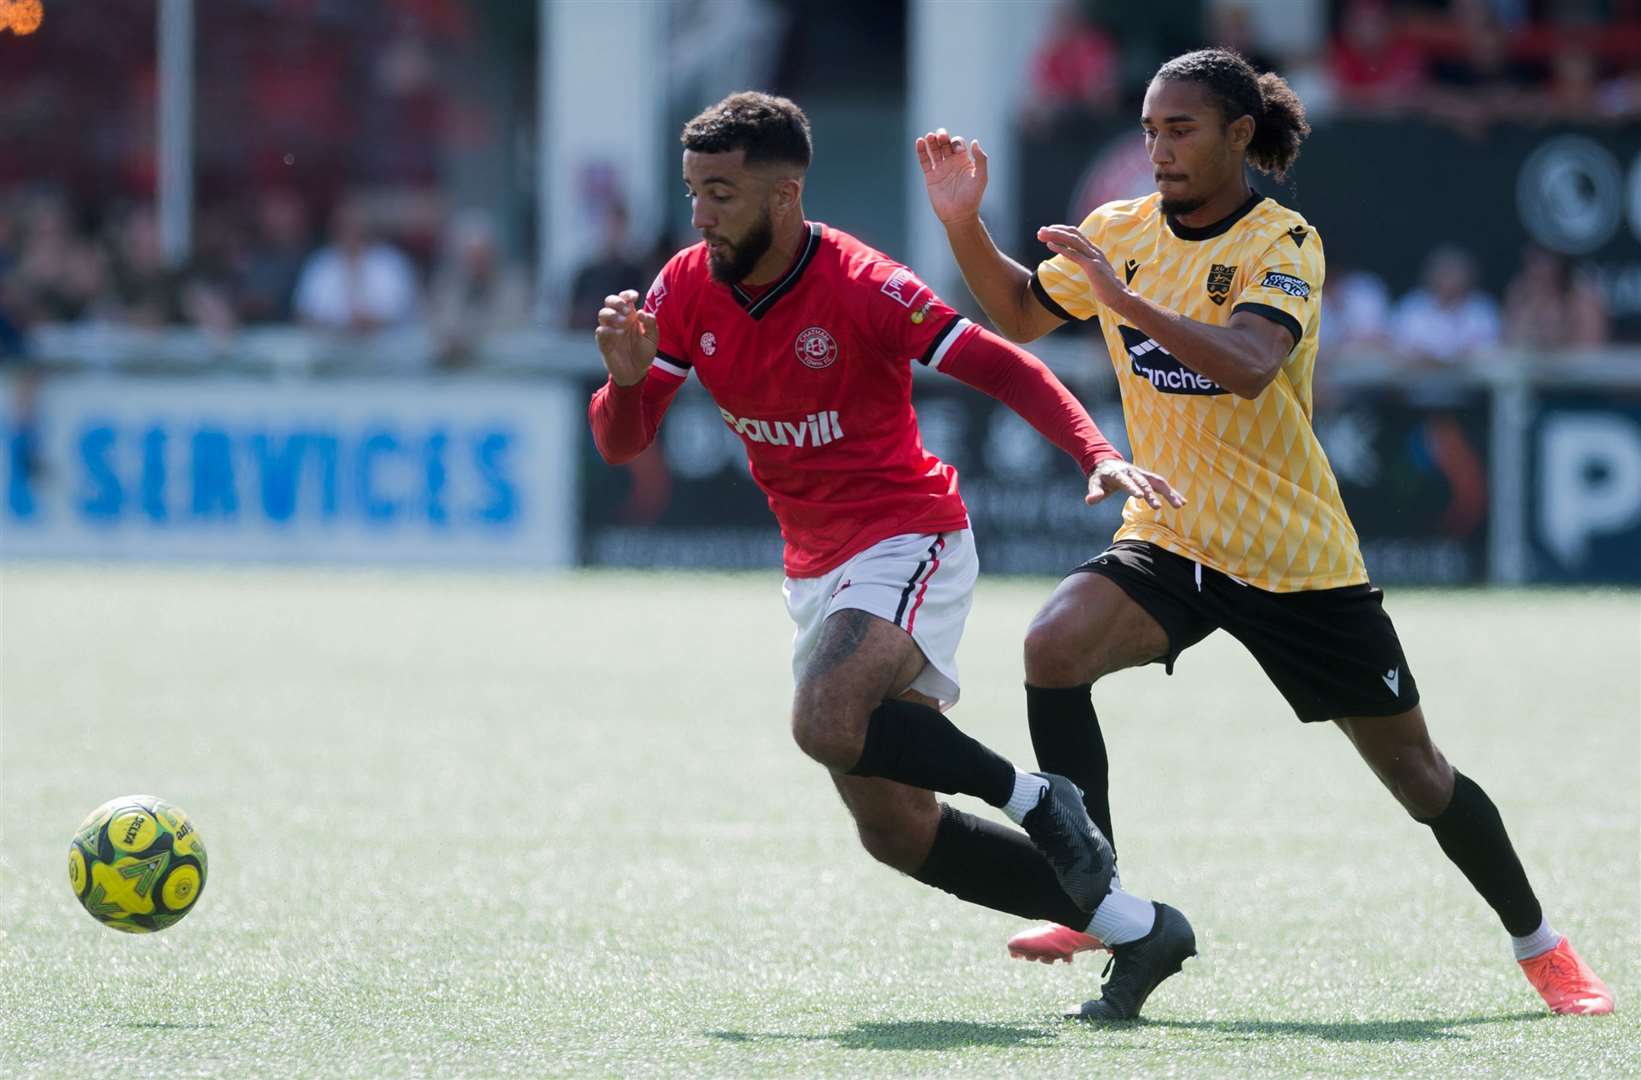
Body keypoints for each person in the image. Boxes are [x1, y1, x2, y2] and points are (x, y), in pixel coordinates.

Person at [918, 47, 1613, 1020]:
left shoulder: (1283, 243)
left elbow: (1248, 363)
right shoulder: (1121, 230)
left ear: (1240, 136)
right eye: (1151, 128)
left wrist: (1123, 303)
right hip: (1170, 535)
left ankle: (1541, 945)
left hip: (1296, 563)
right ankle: (1095, 900)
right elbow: (1025, 314)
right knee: (1051, 647)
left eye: (1182, 128)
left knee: (1420, 777)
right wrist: (962, 223)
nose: (1158, 147)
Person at [589, 92, 1193, 978]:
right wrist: (629, 383)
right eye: (693, 193)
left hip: (910, 540)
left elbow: (1005, 364)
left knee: (825, 720)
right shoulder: (683, 286)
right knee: (895, 831)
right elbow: (621, 442)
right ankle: (1136, 925)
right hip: (815, 569)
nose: (700, 216)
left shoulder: (863, 283)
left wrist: (1094, 451)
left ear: (785, 195)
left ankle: (1034, 797)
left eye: (720, 193)